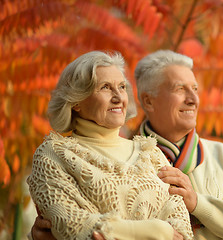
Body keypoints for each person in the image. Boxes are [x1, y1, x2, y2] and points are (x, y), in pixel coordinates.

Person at [31, 50, 223, 240]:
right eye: (180, 89)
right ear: (147, 100)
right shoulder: (64, 154)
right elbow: (77, 226)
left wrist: (198, 203)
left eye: (195, 89)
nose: (193, 99)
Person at [27, 51, 193, 240]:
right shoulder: (52, 155)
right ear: (76, 102)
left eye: (121, 87)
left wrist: (112, 230)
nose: (118, 97)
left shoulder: (151, 153)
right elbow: (73, 226)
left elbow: (183, 232)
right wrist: (159, 231)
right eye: (105, 87)